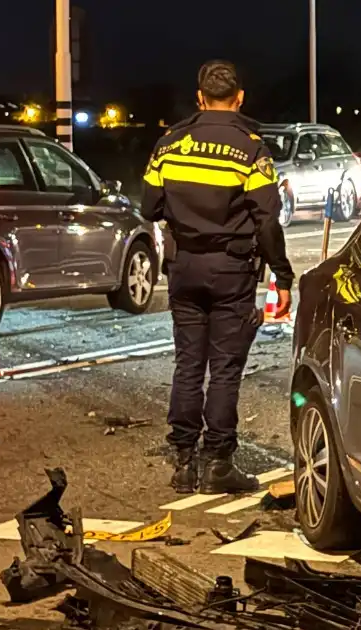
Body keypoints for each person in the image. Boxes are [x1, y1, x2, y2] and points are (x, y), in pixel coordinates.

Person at [141, 60, 294, 494]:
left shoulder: (169, 144)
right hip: (231, 270)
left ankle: (184, 463)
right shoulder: (250, 148)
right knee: (224, 369)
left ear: (199, 97)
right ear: (240, 97)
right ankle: (218, 465)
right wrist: (282, 276)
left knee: (188, 364)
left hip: (184, 266)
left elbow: (148, 207)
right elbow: (267, 221)